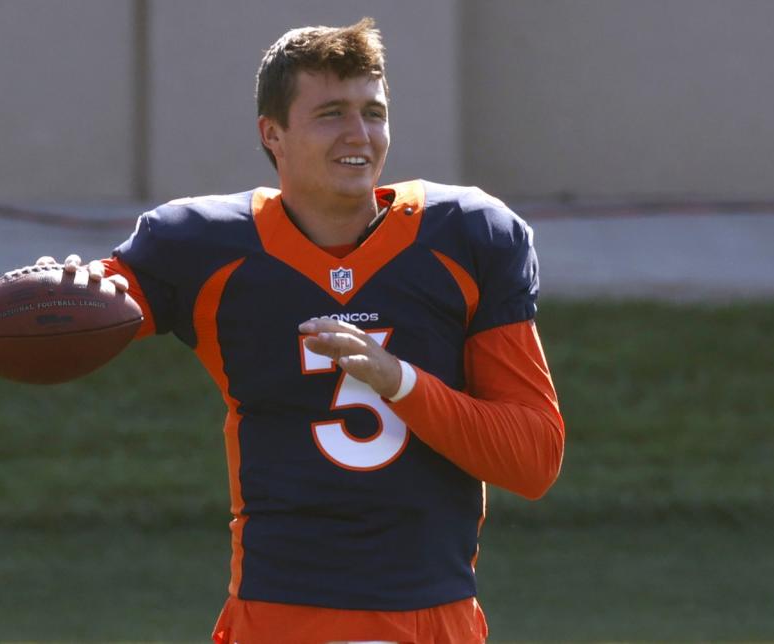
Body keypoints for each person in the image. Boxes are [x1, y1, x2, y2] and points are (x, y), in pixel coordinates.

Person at [41, 17, 564, 643]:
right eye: (332, 113)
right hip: (281, 614)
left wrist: (398, 382)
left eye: (374, 112)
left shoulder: (469, 236)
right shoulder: (203, 245)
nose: (359, 134)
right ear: (274, 133)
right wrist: (57, 295)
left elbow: (534, 459)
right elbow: (77, 311)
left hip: (432, 614)